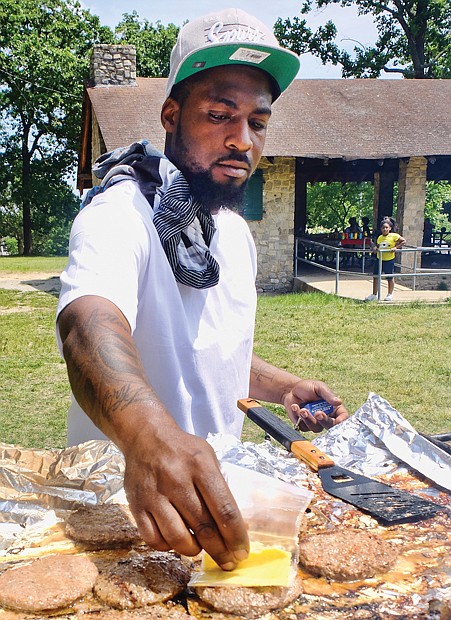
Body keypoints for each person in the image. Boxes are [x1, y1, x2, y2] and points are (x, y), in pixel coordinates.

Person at [57, 8, 349, 571]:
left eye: (257, 124)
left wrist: (279, 385)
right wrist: (149, 437)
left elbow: (206, 348)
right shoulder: (119, 214)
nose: (241, 140)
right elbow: (87, 327)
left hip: (217, 501)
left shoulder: (233, 234)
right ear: (172, 115)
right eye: (220, 115)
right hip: (126, 510)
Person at [365, 216, 406, 302]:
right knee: (376, 276)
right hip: (379, 259)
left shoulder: (394, 236)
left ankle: (390, 294)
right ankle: (374, 294)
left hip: (389, 260)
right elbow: (378, 246)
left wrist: (396, 247)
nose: (385, 229)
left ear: (390, 228)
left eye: (386, 227)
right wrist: (375, 249)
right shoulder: (380, 237)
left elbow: (403, 241)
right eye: (383, 228)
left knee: (389, 277)